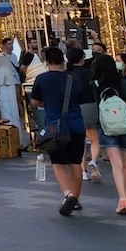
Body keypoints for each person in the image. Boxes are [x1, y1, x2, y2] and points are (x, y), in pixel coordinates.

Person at [30, 46, 86, 215]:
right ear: (63, 61)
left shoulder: (41, 79)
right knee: (76, 163)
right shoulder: (72, 79)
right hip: (76, 125)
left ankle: (67, 194)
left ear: (46, 62)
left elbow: (34, 102)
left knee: (58, 162)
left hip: (55, 128)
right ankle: (75, 198)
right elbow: (79, 98)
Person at [90, 51, 126, 214]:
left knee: (116, 165)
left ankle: (122, 198)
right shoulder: (123, 83)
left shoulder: (95, 84)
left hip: (108, 126)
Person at [66, 45, 102, 183]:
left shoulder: (66, 74)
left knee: (80, 140)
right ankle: (93, 161)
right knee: (94, 138)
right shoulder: (89, 73)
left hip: (73, 108)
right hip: (89, 105)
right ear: (83, 58)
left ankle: (83, 171)